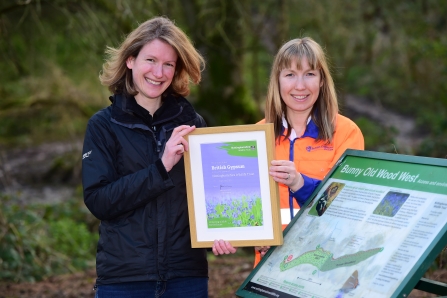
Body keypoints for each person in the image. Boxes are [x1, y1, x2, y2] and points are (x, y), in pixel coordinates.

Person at [82, 16, 234, 298]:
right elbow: (99, 201)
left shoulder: (193, 124)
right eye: (150, 60)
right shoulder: (103, 126)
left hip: (186, 278)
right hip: (124, 280)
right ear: (130, 60)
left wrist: (227, 229)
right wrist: (161, 168)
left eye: (168, 64)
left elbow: (211, 195)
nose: (158, 72)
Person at [213, 37, 364, 265]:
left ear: (322, 80)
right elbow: (244, 209)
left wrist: (300, 183)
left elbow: (347, 205)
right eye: (290, 74)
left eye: (310, 74)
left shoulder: (346, 132)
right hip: (270, 266)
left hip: (325, 263)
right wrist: (232, 233)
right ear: (278, 81)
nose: (300, 86)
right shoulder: (256, 136)